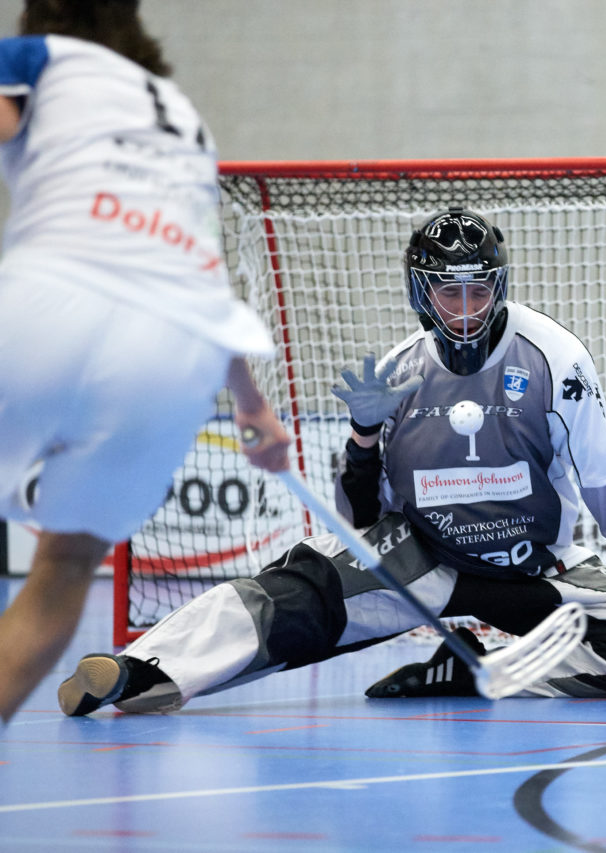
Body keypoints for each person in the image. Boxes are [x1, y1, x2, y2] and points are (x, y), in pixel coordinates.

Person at [56, 207, 606, 714]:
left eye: (480, 289)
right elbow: (360, 521)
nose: (466, 308)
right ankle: (141, 671)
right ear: (423, 292)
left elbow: (605, 479)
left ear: (500, 287)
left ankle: (476, 669)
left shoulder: (555, 358)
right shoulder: (398, 372)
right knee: (299, 598)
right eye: (450, 291)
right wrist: (363, 435)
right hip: (424, 566)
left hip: (537, 570)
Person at [0, 0, 291, 724]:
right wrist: (253, 407)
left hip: (54, 295)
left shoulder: (37, 61)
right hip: (175, 350)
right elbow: (203, 279)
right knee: (65, 566)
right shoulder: (186, 120)